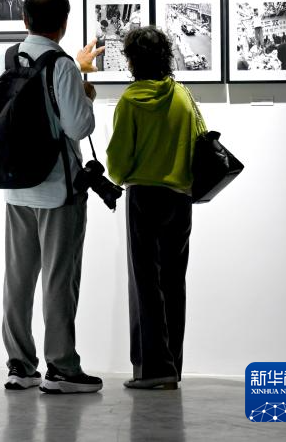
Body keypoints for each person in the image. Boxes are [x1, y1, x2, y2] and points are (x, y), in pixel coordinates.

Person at [0, 0, 106, 394]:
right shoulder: (61, 65)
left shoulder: (11, 56)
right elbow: (78, 127)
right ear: (64, 23)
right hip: (58, 189)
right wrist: (85, 91)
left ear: (24, 20)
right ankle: (61, 367)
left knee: (18, 279)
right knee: (59, 279)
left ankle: (20, 366)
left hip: (16, 186)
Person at [106, 26, 200, 391]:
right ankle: (172, 367)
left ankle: (152, 369)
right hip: (180, 197)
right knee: (174, 283)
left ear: (132, 61)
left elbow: (117, 164)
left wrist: (124, 174)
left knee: (145, 283)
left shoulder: (131, 101)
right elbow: (198, 143)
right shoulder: (182, 96)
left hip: (144, 197)